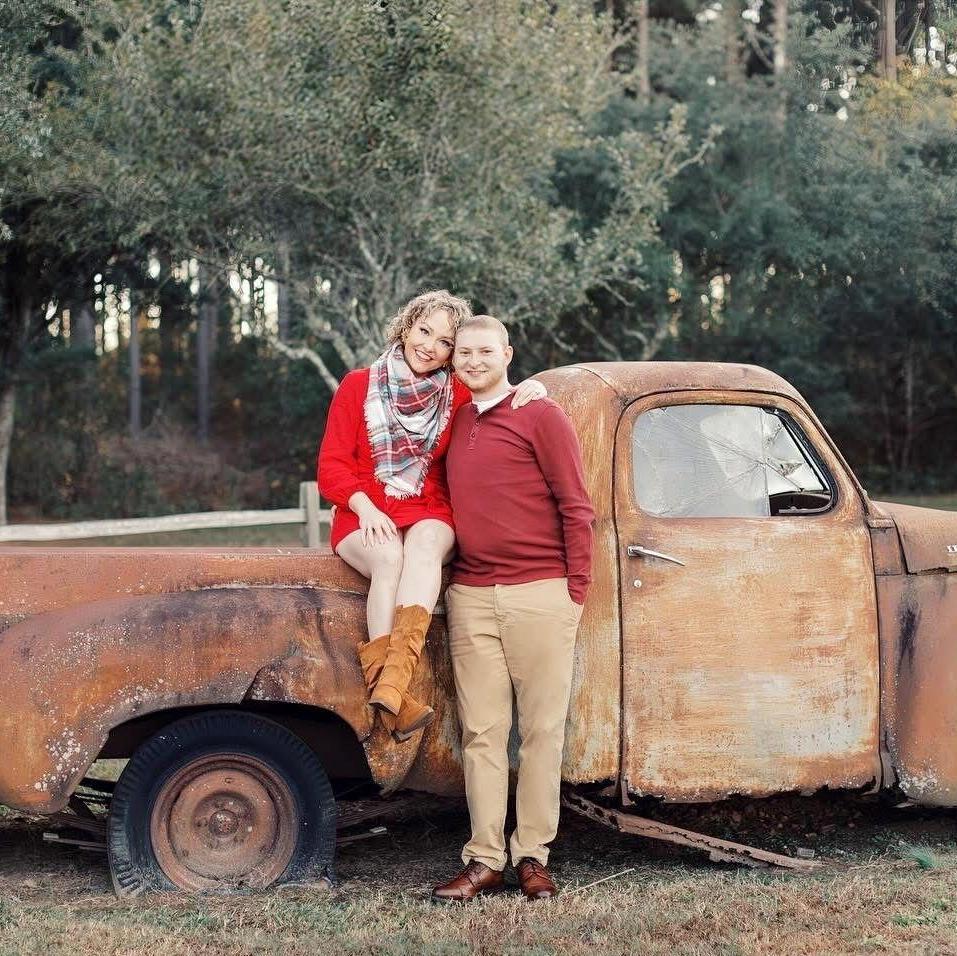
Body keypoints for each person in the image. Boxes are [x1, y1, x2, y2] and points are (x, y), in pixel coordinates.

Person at [317, 291, 546, 742]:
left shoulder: (457, 392)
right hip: (363, 508)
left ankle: (390, 688)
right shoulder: (357, 385)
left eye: (445, 342)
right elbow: (332, 468)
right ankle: (392, 693)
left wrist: (533, 388)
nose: (431, 347)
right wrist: (366, 507)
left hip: (428, 506)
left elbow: (499, 392)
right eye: (425, 332)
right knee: (388, 558)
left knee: (421, 547)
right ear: (405, 328)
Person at [431, 314, 594, 902]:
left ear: (508, 353)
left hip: (542, 595)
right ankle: (484, 859)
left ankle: (533, 856)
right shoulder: (452, 420)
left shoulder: (541, 415)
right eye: (464, 352)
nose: (473, 360)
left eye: (485, 351)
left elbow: (577, 506)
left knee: (543, 734)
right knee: (481, 733)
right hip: (471, 597)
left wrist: (574, 591)